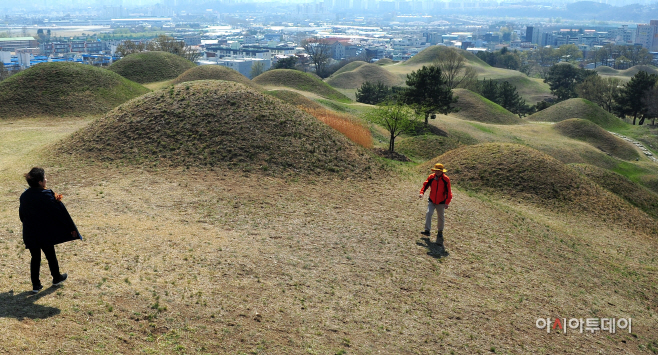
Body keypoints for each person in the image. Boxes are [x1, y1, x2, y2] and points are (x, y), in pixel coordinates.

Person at [19, 167, 81, 294]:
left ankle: (36, 285)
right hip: (43, 233)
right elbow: (61, 213)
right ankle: (56, 277)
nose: (46, 180)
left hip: (30, 233)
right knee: (50, 255)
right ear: (40, 182)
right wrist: (71, 228)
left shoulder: (24, 196)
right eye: (44, 178)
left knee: (35, 257)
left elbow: (22, 215)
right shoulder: (46, 195)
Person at [419, 163, 452, 248]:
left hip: (441, 202)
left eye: (439, 171)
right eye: (436, 170)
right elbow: (425, 185)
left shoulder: (446, 179)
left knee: (440, 217)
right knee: (428, 213)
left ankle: (440, 231)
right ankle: (427, 230)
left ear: (442, 171)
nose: (437, 172)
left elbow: (449, 192)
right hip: (432, 200)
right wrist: (422, 193)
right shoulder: (431, 177)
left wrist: (447, 202)